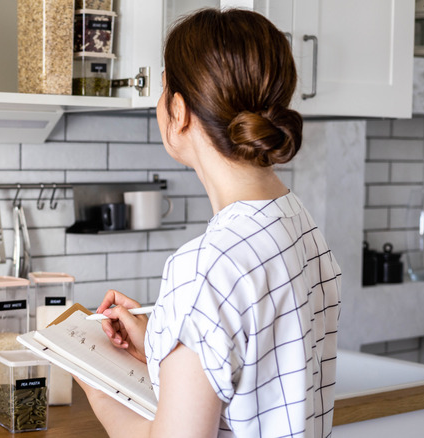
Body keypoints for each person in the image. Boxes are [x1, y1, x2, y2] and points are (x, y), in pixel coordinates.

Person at [76, 8, 342, 438]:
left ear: (178, 110)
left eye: (163, 90)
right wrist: (164, 342)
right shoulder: (301, 226)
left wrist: (99, 388)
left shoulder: (203, 267)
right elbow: (253, 366)